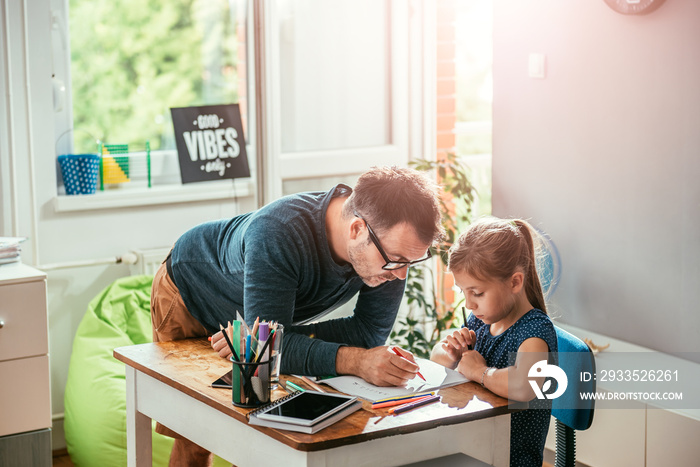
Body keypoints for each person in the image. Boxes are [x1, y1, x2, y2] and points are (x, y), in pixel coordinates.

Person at [151, 165, 445, 466]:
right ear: (357, 229)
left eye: (411, 262)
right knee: (196, 432)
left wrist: (259, 338)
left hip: (252, 317)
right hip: (191, 290)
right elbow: (269, 349)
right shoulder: (278, 232)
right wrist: (354, 360)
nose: (400, 275)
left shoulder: (389, 250)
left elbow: (368, 333)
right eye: (395, 261)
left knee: (261, 428)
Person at [430, 217, 557, 467]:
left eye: (477, 293)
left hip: (509, 459)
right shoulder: (481, 319)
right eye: (463, 292)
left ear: (514, 282)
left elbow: (523, 386)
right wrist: (452, 353)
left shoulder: (535, 330)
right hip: (476, 448)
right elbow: (435, 358)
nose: (469, 303)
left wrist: (479, 371)